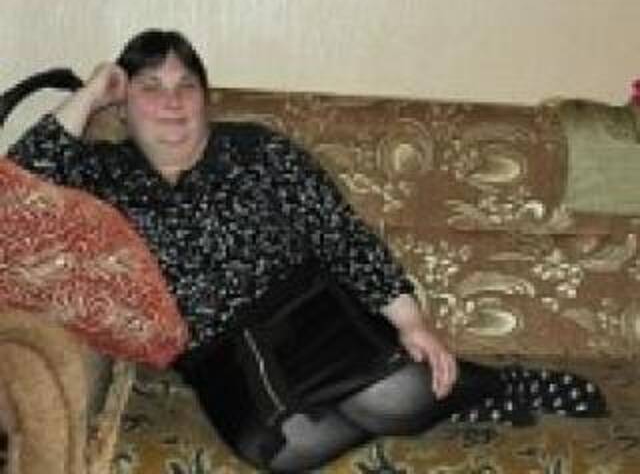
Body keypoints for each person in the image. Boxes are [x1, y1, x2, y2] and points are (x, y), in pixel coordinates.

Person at [7, 29, 607, 472]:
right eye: (151, 87)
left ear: (206, 99)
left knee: (390, 395)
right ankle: (435, 404)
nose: (173, 101)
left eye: (187, 86)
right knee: (288, 449)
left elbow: (340, 232)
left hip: (307, 310)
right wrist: (92, 90)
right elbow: (18, 187)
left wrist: (411, 322)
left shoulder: (259, 149)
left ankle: (494, 387)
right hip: (216, 351)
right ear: (124, 104)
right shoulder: (103, 171)